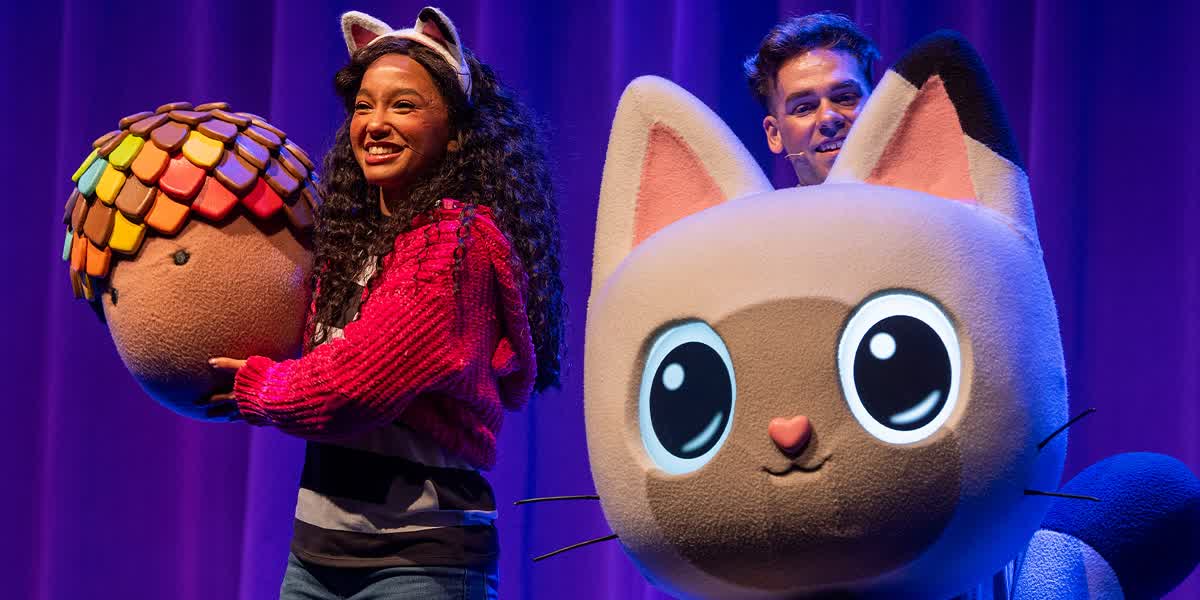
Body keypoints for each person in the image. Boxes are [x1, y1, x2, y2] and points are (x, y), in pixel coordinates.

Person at [208, 7, 563, 599]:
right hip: (317, 551)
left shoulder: (456, 244)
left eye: (403, 105)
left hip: (421, 561)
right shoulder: (353, 236)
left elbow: (351, 387)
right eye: (364, 105)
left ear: (455, 131)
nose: (375, 123)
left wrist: (260, 386)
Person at [744, 12, 881, 185]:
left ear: (879, 106)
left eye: (845, 98)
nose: (828, 117)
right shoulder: (763, 213)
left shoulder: (920, 207)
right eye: (804, 108)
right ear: (775, 134)